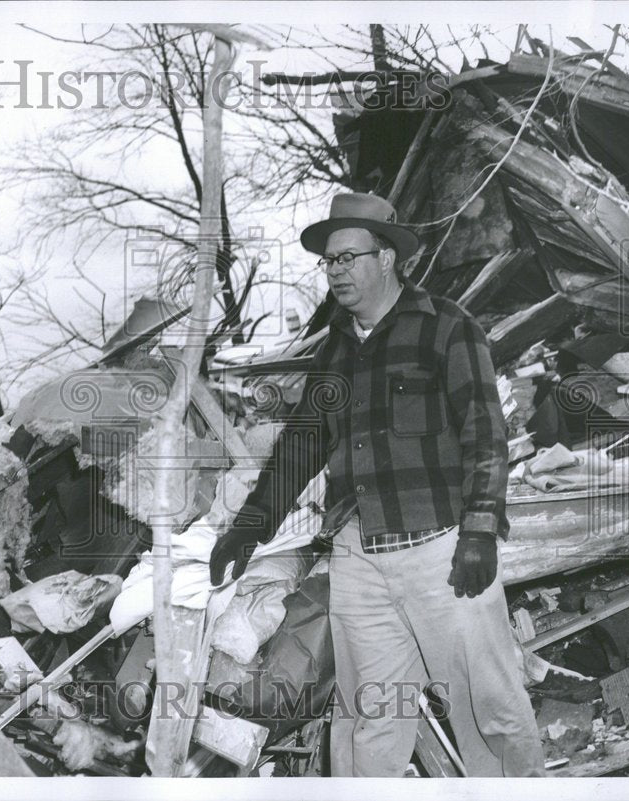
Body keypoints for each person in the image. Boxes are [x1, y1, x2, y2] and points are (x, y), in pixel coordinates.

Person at [209, 193, 544, 777]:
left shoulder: (447, 328)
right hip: (358, 558)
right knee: (370, 722)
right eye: (328, 261)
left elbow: (485, 438)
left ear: (386, 257)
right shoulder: (336, 350)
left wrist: (481, 531)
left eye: (347, 257)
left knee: (490, 709)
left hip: (441, 551)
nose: (335, 270)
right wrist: (247, 530)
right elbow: (300, 447)